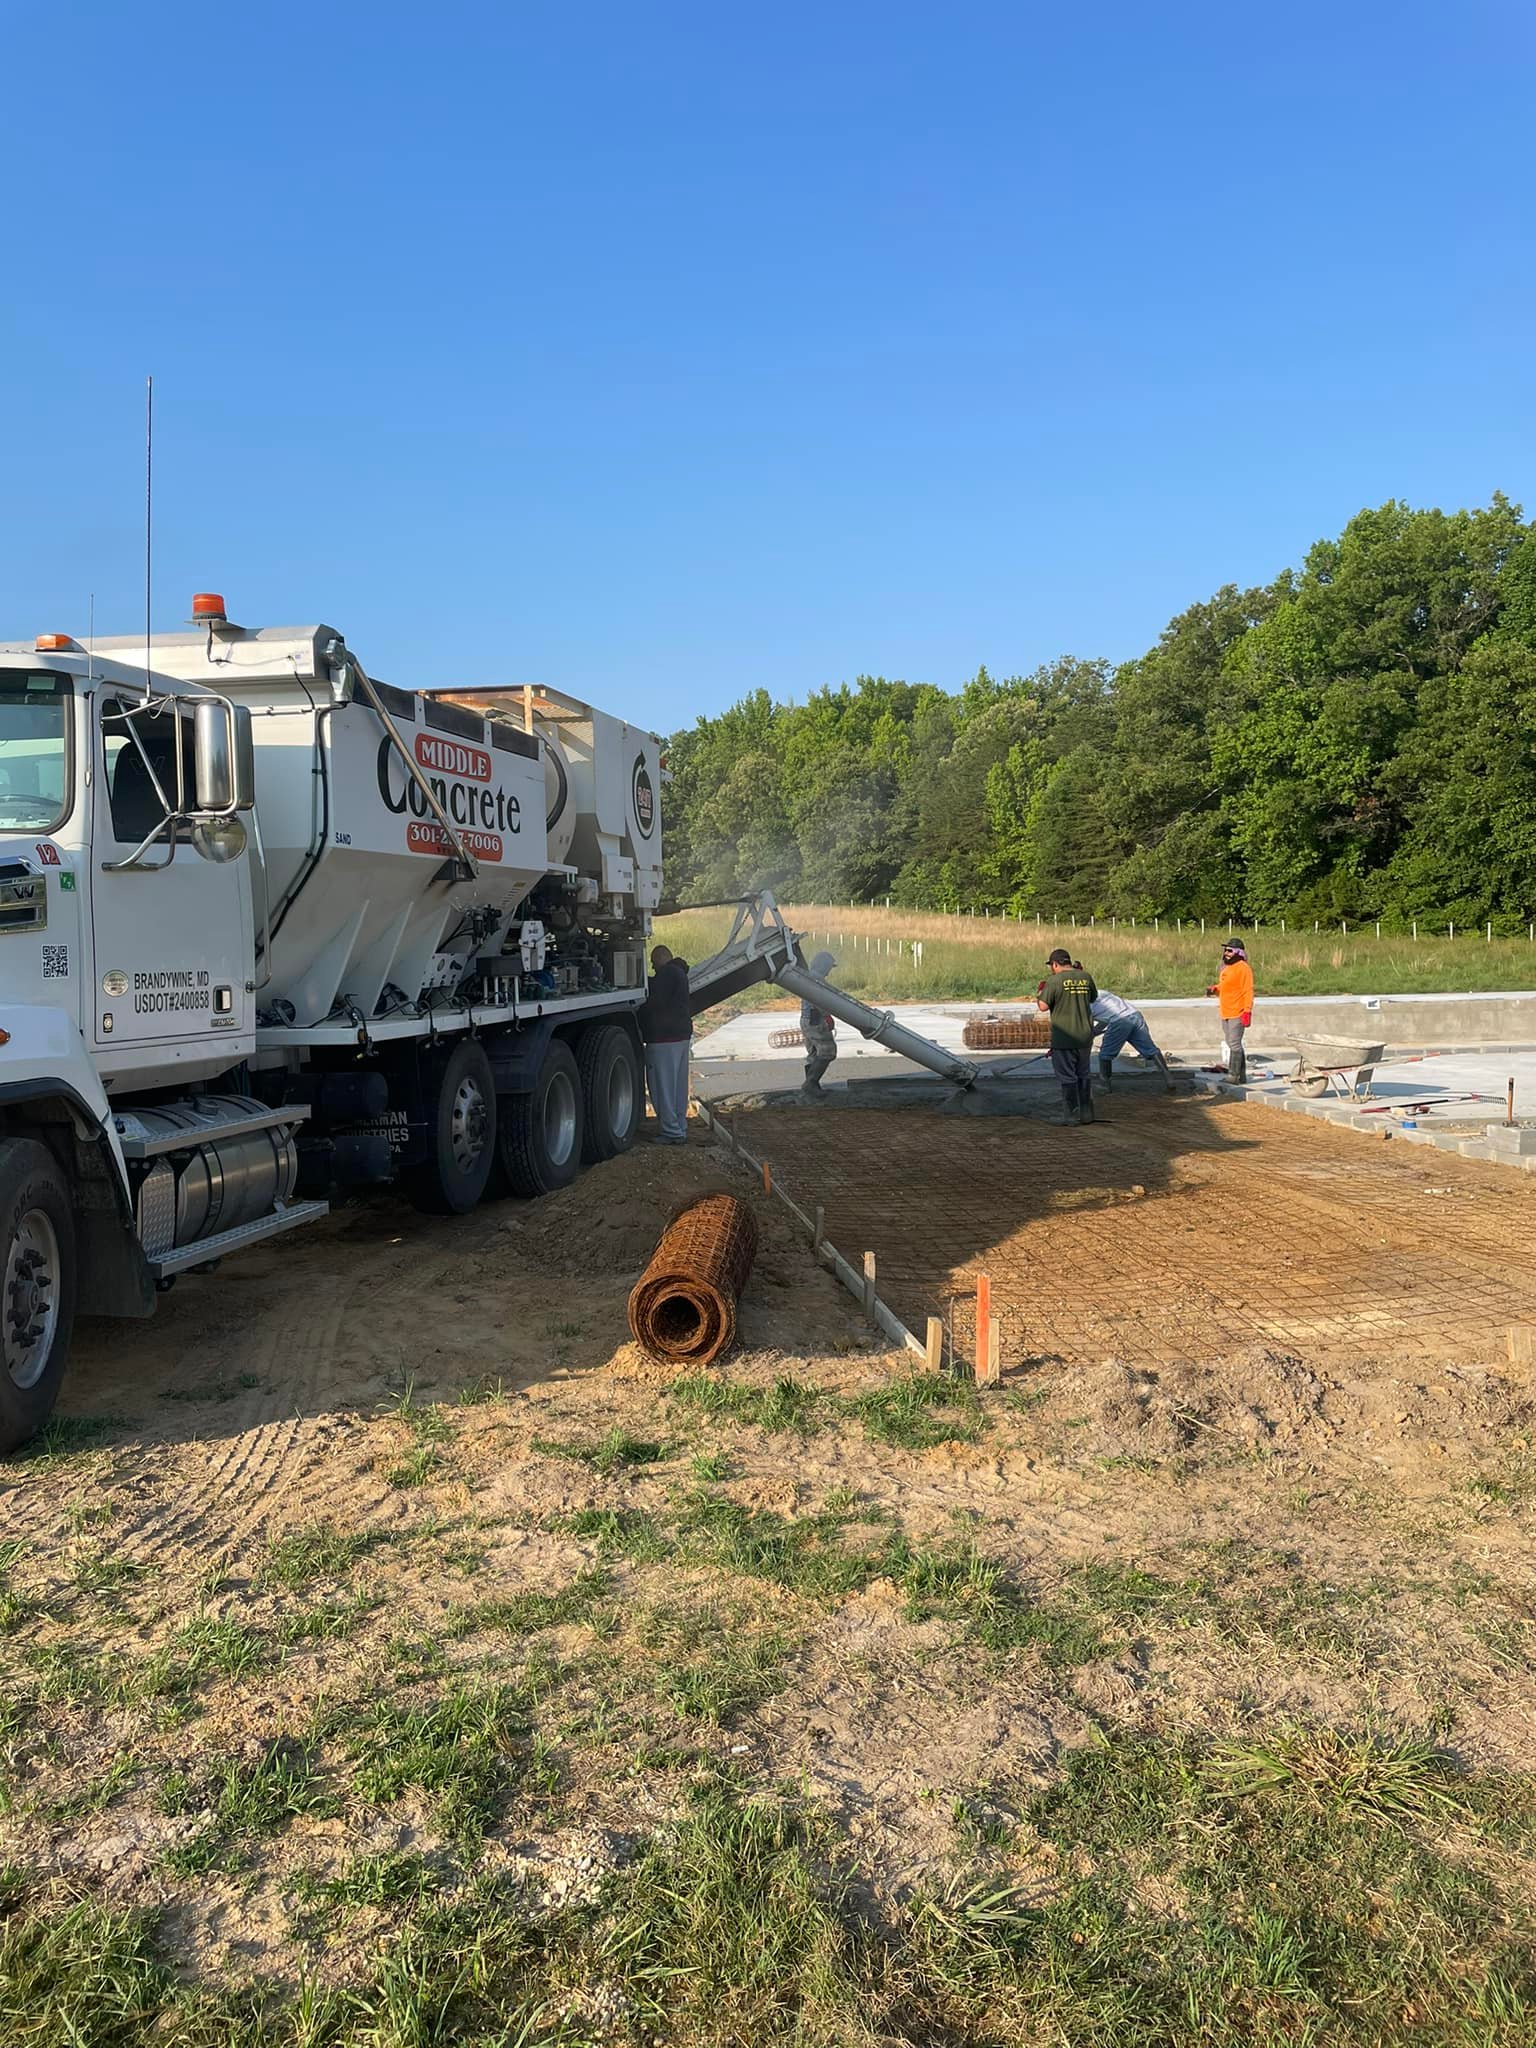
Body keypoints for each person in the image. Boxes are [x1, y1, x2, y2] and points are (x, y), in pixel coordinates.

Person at [637, 942, 692, 1143]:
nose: (653, 967)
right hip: (680, 1037)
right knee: (677, 1088)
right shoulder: (679, 973)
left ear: (662, 957)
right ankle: (679, 1127)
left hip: (664, 1039)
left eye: (653, 962)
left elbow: (654, 1001)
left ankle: (671, 1132)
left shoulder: (667, 974)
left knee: (663, 1088)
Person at [1037, 948, 1099, 1123]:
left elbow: (1042, 1006)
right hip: (1085, 1036)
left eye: (1051, 966)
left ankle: (1071, 1115)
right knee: (1083, 1074)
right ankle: (1086, 1114)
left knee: (1067, 1076)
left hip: (1064, 1038)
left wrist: (1040, 992)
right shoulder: (1085, 977)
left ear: (1055, 964)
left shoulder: (1054, 981)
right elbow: (1093, 998)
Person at [1091, 986, 1176, 1092]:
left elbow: (1087, 1024)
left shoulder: (1084, 1003)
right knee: (1150, 1049)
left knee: (1105, 1054)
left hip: (1119, 1021)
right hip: (1135, 1015)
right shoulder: (1101, 993)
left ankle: (1105, 1085)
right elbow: (1106, 1016)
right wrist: (1095, 1031)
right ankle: (1168, 1078)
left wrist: (1092, 1033)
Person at [1207, 939, 1254, 1084]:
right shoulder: (1226, 968)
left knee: (1234, 1043)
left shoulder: (1243, 968)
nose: (1226, 953)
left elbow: (1248, 991)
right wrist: (1215, 989)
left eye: (1229, 950)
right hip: (1226, 1011)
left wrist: (1247, 1011)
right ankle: (1241, 1076)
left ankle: (1233, 1076)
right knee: (1232, 1042)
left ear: (1239, 953)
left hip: (1237, 1012)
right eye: (1225, 950)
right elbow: (1225, 987)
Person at [800, 950, 839, 1101]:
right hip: (816, 1019)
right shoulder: (817, 979)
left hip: (806, 1019)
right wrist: (827, 1016)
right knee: (827, 1051)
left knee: (814, 1053)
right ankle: (810, 1084)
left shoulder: (809, 977)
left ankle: (812, 1088)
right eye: (829, 967)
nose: (829, 971)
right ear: (823, 966)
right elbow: (819, 999)